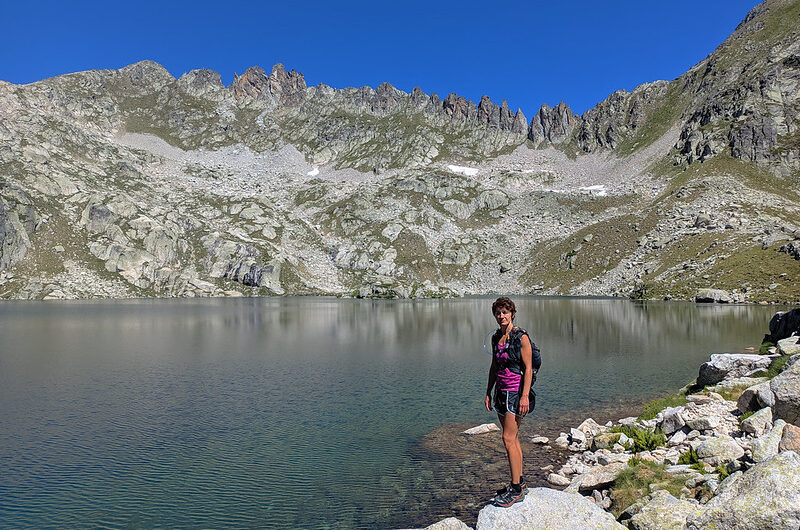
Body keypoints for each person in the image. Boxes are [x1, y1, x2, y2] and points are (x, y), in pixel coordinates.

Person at [484, 297, 540, 508]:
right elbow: (493, 366)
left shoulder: (521, 337)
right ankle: (519, 481)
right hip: (500, 392)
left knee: (508, 438)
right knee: (513, 439)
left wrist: (525, 396)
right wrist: (488, 391)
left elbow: (528, 368)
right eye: (498, 313)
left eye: (505, 312)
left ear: (512, 314)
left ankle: (516, 489)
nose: (502, 316)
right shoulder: (496, 337)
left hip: (515, 393)